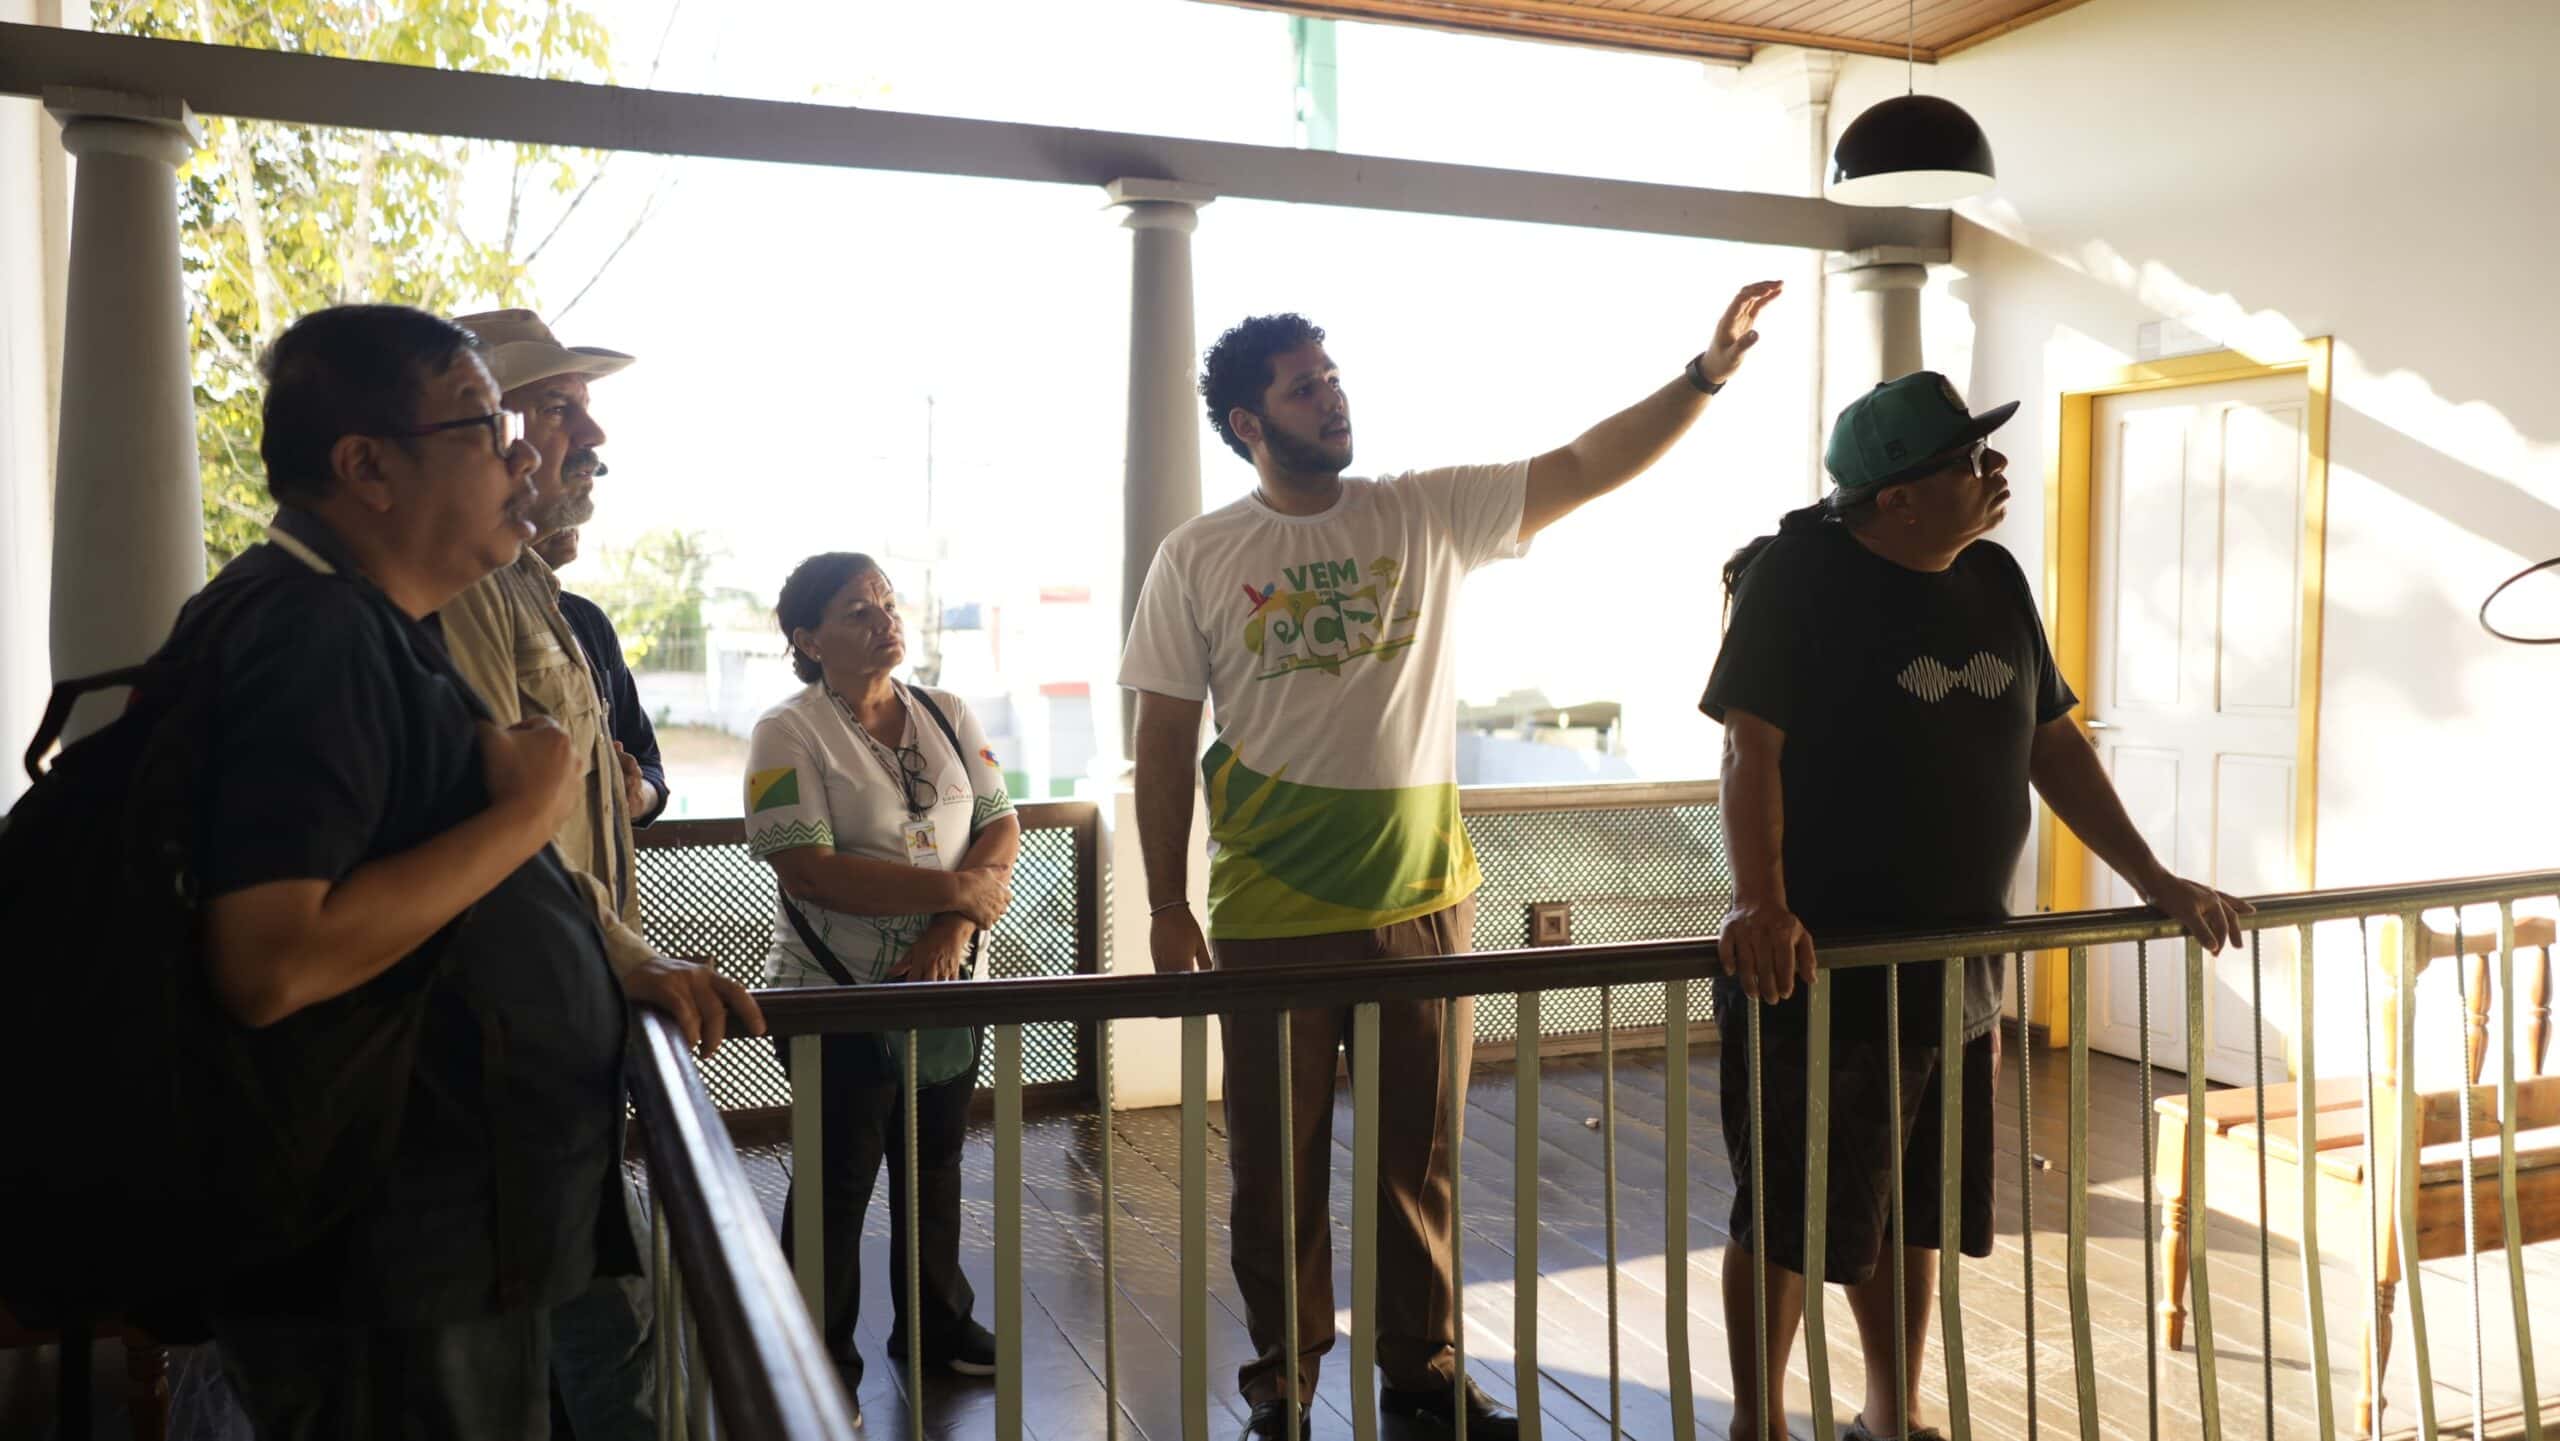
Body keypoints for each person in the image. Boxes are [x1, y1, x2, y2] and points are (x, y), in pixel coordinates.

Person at [1120, 280, 1786, 1441]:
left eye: (1333, 378)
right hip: (1269, 911)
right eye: (1305, 387)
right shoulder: (1200, 554)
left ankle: (1422, 1376)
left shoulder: (1419, 511)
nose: (1333, 398)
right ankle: (1283, 1386)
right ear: (1248, 423)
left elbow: (1582, 464)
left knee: (1416, 1162)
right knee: (1274, 1174)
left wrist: (1705, 374)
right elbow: (1165, 735)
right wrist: (1169, 901)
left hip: (1425, 899)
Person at [1702, 371, 2251, 1441]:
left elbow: (2052, 743)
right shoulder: (1801, 576)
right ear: (1896, 498)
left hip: (1960, 967)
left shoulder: (1994, 576)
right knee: (1787, 1213)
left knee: (1916, 1207)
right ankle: (1757, 1424)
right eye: (1966, 459)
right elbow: (1746, 745)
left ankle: (1888, 1415)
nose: (1993, 469)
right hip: (1825, 970)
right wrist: (1760, 901)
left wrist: (2154, 878)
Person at [189, 304, 630, 1437]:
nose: (521, 457)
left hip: (425, 1241)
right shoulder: (312, 635)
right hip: (385, 1258)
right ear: (367, 467)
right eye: (485, 427)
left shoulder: (359, 625)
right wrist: (527, 812)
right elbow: (272, 961)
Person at [440, 308, 762, 1441]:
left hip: (566, 1024)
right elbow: (500, 830)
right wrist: (632, 959)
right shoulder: (464, 589)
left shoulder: (543, 596)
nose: (590, 437)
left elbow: (602, 788)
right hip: (507, 1047)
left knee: (606, 1337)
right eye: (557, 407)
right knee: (589, 1352)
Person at [743, 551, 1021, 1408]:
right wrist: (956, 894)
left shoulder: (947, 710)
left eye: (887, 604)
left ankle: (938, 1325)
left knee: (935, 1160)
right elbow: (808, 869)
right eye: (857, 611)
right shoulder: (786, 731)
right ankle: (817, 1362)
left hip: (946, 980)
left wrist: (952, 925)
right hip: (836, 991)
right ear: (807, 638)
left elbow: (999, 823)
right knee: (837, 1175)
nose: (884, 621)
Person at [534, 526, 671, 826]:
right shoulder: (475, 628)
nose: (575, 514)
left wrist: (637, 795)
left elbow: (647, 762)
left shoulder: (589, 621)